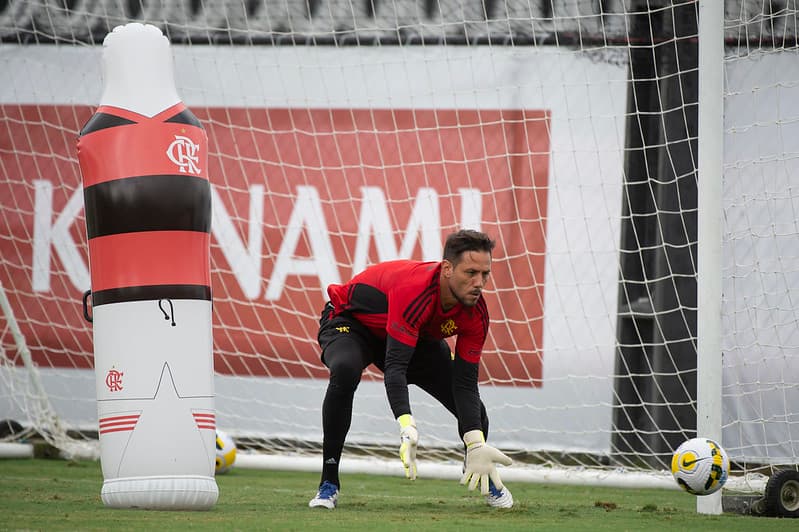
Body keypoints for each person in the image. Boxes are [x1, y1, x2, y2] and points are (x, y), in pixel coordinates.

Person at [308, 229, 513, 510]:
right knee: (345, 369)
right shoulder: (415, 290)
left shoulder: (476, 312)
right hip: (353, 323)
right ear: (447, 269)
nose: (479, 283)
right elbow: (396, 368)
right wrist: (407, 425)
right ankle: (328, 484)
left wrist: (475, 443)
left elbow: (465, 383)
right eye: (470, 273)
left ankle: (480, 469)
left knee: (475, 414)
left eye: (485, 274)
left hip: (412, 335)